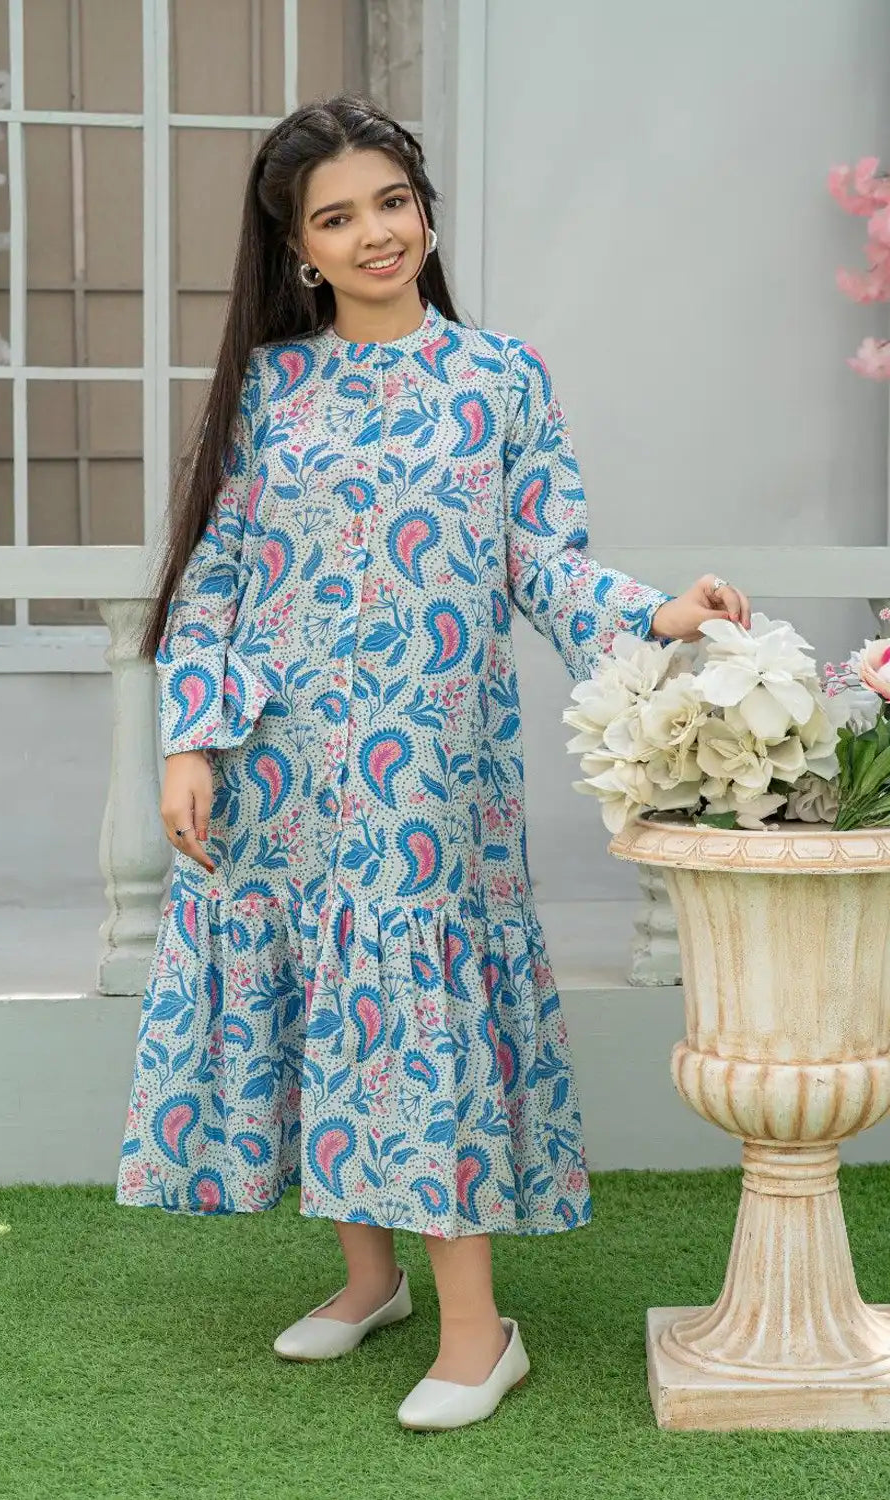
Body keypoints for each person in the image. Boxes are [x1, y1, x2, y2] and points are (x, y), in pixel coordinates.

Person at [115, 93, 751, 1432]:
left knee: (412, 1009)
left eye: (392, 203)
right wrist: (190, 740)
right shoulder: (271, 388)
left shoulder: (500, 378)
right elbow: (218, 572)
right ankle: (372, 1282)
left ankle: (480, 1331)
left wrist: (657, 613)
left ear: (426, 213)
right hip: (280, 757)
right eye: (336, 217)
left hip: (428, 768)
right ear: (299, 249)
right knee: (320, 997)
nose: (374, 234)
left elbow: (543, 557)